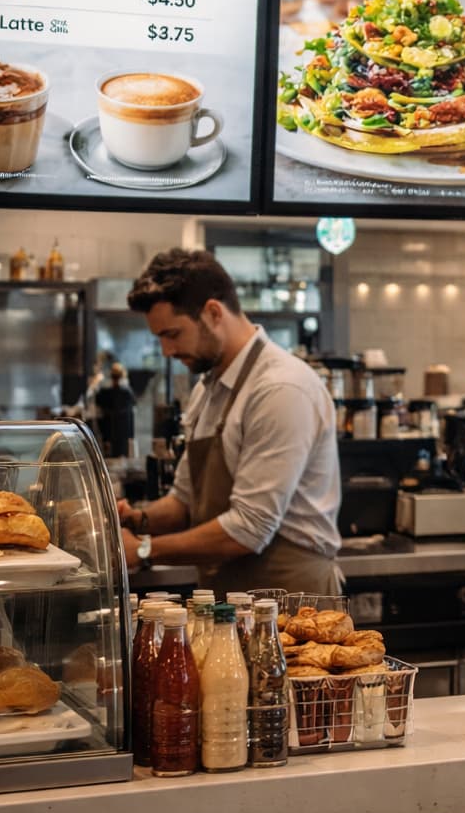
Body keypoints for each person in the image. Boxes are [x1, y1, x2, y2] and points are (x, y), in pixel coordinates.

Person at [116, 248, 342, 594]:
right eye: (159, 337)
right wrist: (138, 519)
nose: (166, 351)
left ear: (213, 312)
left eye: (172, 334)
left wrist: (144, 550)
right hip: (230, 596)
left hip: (292, 601)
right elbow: (185, 500)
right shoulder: (208, 389)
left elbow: (250, 528)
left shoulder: (281, 389)